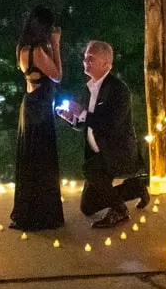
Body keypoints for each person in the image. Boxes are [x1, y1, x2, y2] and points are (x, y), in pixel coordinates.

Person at [61, 40, 149, 228]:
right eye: (85, 57)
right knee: (87, 207)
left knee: (90, 169)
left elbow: (110, 124)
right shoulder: (87, 90)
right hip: (98, 154)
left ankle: (119, 210)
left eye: (91, 58)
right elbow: (87, 123)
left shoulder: (118, 90)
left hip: (117, 152)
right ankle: (135, 188)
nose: (86, 61)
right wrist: (72, 119)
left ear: (106, 64)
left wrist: (82, 113)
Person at [9, 6, 65, 231]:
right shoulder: (38, 52)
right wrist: (57, 45)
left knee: (31, 160)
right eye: (50, 27)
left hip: (31, 105)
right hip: (40, 109)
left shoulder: (23, 49)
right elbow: (57, 76)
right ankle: (42, 215)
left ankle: (30, 211)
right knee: (42, 161)